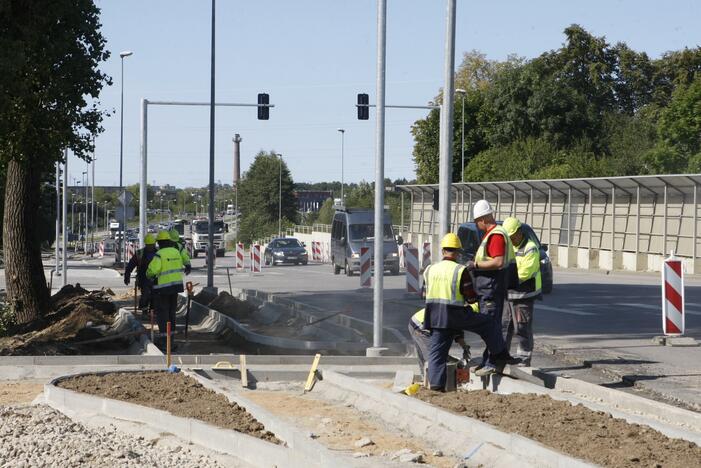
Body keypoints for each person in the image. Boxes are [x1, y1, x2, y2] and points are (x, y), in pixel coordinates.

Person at [423, 233, 519, 390]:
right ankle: (499, 354)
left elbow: (424, 294)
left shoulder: (429, 269)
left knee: (436, 353)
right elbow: (471, 297)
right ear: (458, 252)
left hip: (434, 317)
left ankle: (436, 387)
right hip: (456, 315)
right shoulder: (460, 270)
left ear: (443, 251)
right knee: (488, 323)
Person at [471, 199, 518, 377]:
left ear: (483, 219)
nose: (477, 225)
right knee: (492, 327)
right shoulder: (494, 234)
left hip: (491, 289)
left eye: (477, 221)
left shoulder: (495, 235)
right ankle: (493, 358)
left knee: (490, 327)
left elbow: (497, 262)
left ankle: (491, 362)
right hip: (491, 289)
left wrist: (475, 264)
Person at [502, 217, 542, 367]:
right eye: (508, 237)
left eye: (512, 236)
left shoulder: (530, 247)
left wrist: (505, 279)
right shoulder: (508, 247)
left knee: (522, 328)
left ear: (519, 232)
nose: (511, 239)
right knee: (504, 327)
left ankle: (524, 359)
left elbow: (526, 272)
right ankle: (502, 356)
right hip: (509, 294)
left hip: (523, 295)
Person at [146, 230, 191, 349]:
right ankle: (171, 340)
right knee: (172, 313)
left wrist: (148, 276)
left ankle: (164, 342)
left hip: (162, 289)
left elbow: (152, 271)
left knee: (162, 314)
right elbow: (182, 262)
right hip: (175, 287)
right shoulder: (176, 252)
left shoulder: (159, 254)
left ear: (159, 243)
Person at [409, 306, 473, 380]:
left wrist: (465, 347)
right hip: (420, 325)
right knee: (432, 356)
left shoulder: (458, 312)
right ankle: (431, 380)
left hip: (418, 321)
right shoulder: (457, 315)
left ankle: (426, 379)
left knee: (429, 354)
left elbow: (458, 333)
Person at [123, 233, 158, 317]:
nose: (150, 247)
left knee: (155, 296)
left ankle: (153, 312)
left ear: (154, 244)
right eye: (149, 245)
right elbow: (131, 264)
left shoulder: (159, 253)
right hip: (144, 279)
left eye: (151, 245)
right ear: (146, 244)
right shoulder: (140, 253)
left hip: (157, 279)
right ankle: (144, 311)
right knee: (145, 295)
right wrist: (127, 275)